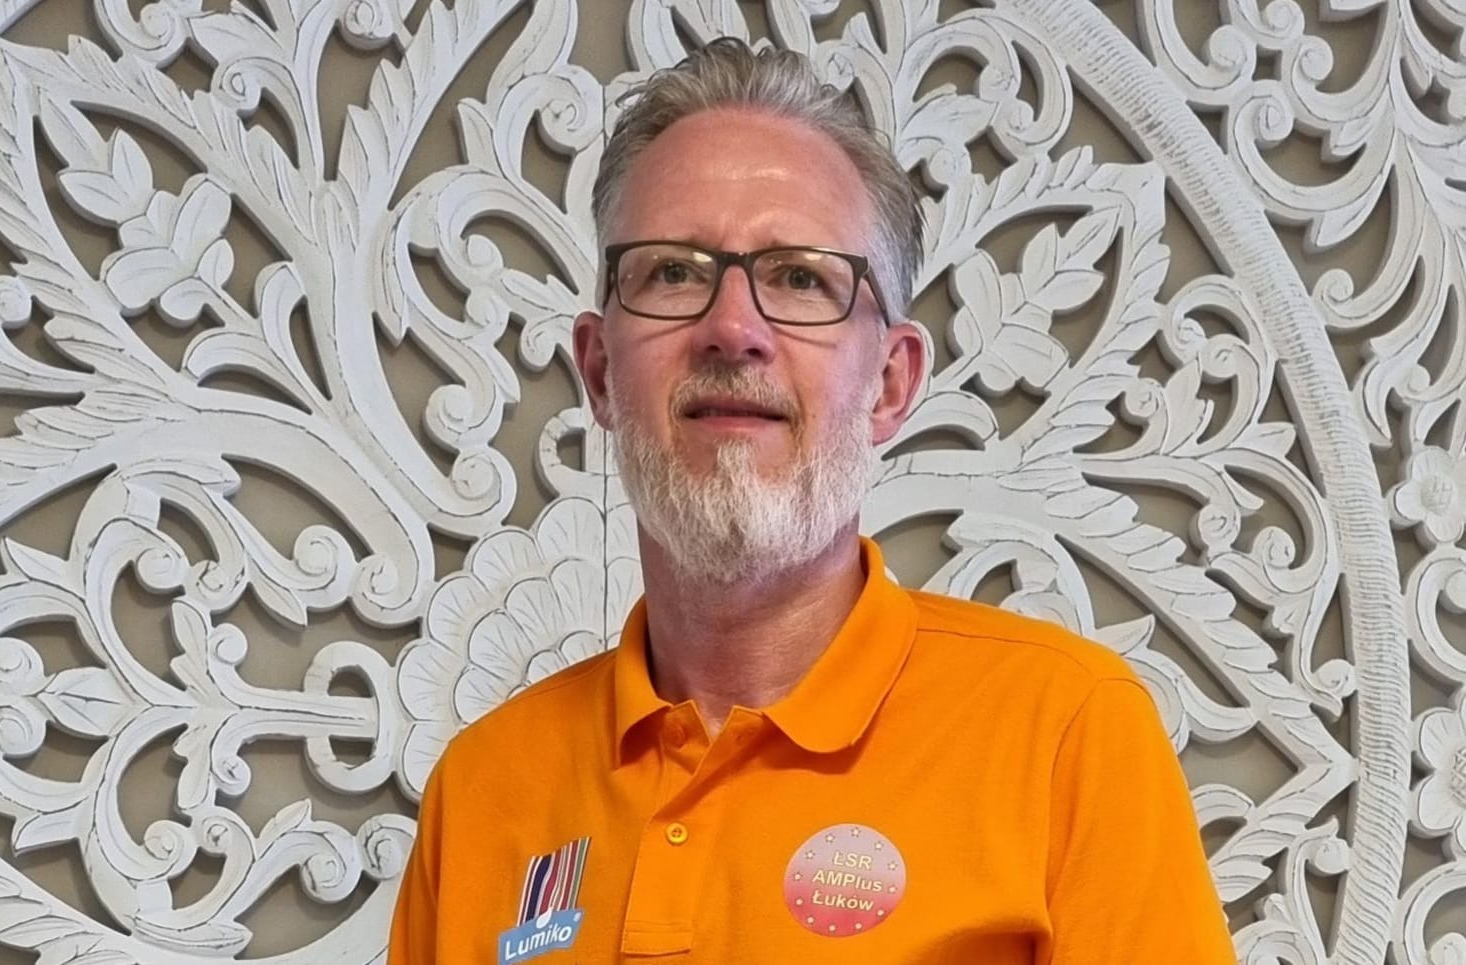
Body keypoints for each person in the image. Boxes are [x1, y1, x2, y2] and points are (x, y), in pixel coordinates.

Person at [388, 37, 1235, 964]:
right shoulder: (479, 791)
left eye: (799, 278)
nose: (732, 328)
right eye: (672, 271)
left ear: (889, 383)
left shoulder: (1068, 732)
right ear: (597, 371)